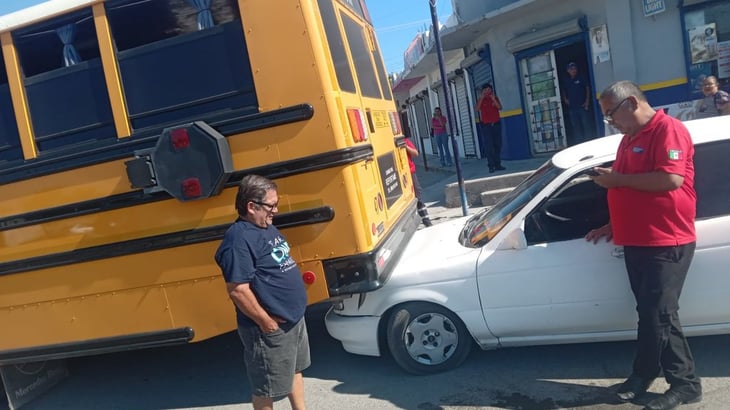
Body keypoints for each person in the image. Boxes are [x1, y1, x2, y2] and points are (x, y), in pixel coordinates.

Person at [585, 81, 702, 410]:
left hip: (666, 239)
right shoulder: (628, 140)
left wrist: (616, 180)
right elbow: (625, 184)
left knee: (658, 314)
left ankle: (679, 383)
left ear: (631, 103)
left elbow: (670, 179)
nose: (611, 122)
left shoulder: (669, 130)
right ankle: (653, 375)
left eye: (611, 115)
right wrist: (612, 222)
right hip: (636, 238)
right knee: (654, 314)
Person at [215, 175, 310, 410]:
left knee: (294, 370)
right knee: (265, 389)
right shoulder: (238, 240)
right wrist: (266, 322)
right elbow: (238, 290)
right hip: (269, 329)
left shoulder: (265, 226)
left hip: (293, 320)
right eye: (271, 205)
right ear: (251, 206)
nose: (275, 210)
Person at [475, 83, 505, 173]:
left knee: (497, 145)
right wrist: (482, 98)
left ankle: (498, 164)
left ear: (491, 90)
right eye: (485, 90)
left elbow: (500, 107)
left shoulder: (495, 98)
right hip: (486, 126)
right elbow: (476, 109)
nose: (487, 92)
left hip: (496, 124)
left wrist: (493, 99)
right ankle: (491, 166)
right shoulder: (481, 100)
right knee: (489, 147)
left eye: (488, 90)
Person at [404, 137, 433, 227]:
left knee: (418, 195)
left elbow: (416, 153)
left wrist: (405, 146)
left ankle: (426, 220)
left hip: (410, 172)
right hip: (400, 174)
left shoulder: (404, 141)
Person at [562, 62, 593, 144]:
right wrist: (565, 98)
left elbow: (587, 88)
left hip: (582, 106)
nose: (573, 70)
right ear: (568, 70)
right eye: (571, 69)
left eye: (574, 68)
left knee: (587, 126)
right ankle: (579, 143)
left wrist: (587, 101)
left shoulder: (581, 77)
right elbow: (563, 90)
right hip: (572, 108)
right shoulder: (566, 80)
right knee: (576, 128)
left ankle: (589, 143)